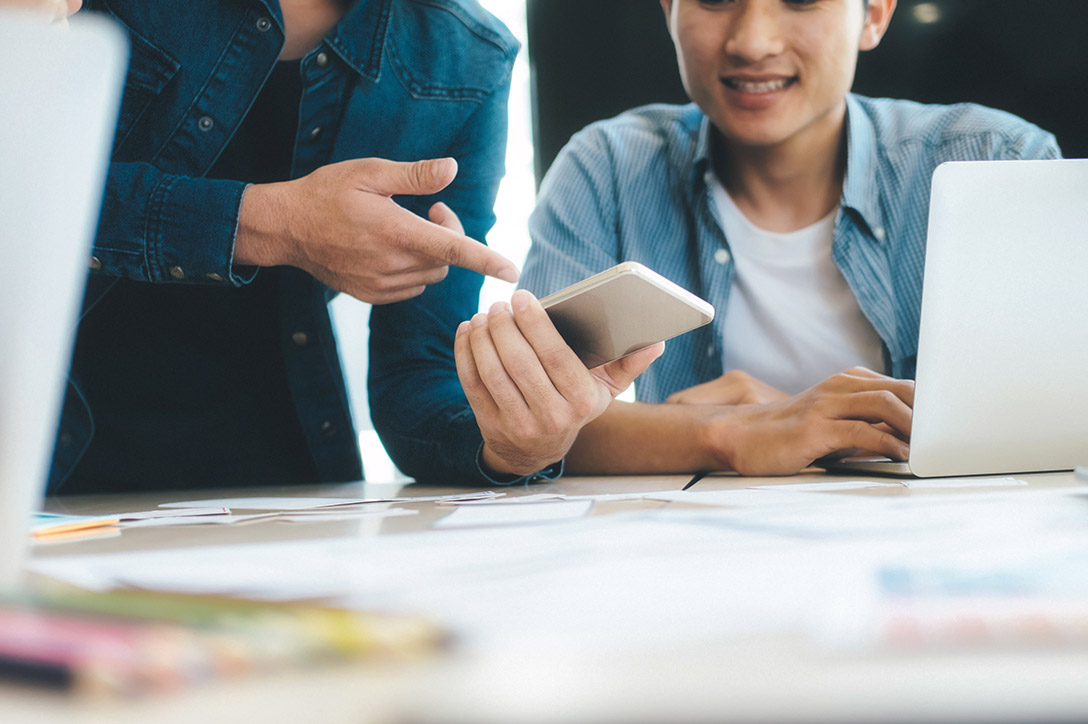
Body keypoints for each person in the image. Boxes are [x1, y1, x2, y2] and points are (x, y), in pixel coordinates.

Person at [38, 0, 657, 494]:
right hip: (42, 470)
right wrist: (270, 222)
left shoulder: (465, 57)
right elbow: (22, 194)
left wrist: (515, 445)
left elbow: (420, 380)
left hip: (278, 492)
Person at [455, 0, 1061, 477]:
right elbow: (539, 422)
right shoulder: (607, 168)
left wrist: (691, 432)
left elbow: (1051, 414)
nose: (752, 41)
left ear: (873, 14)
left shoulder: (999, 160)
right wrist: (733, 432)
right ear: (669, 10)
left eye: (799, 0)